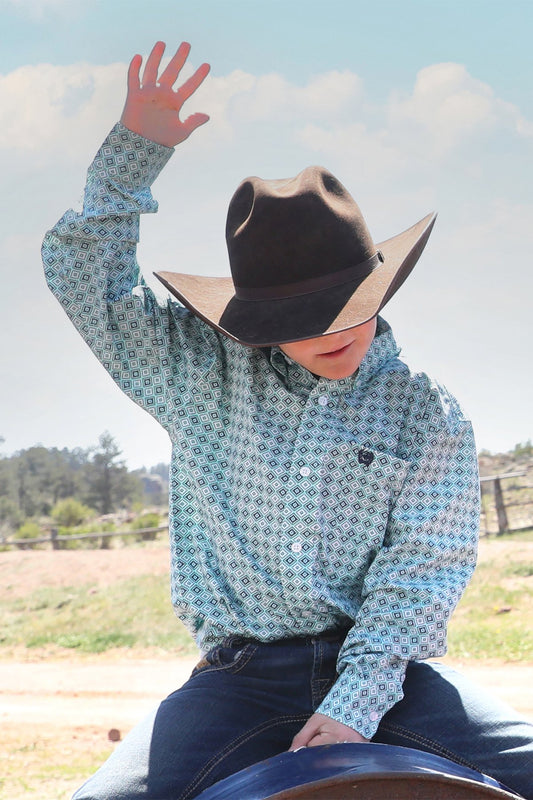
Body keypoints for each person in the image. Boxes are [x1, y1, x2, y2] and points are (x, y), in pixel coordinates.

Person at [42, 40, 533, 800]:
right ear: (257, 322)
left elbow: (419, 576)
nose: (334, 330)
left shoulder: (422, 413)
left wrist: (353, 703)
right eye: (301, 318)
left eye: (348, 306)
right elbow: (84, 280)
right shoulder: (197, 375)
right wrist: (131, 157)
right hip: (240, 681)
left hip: (388, 675)